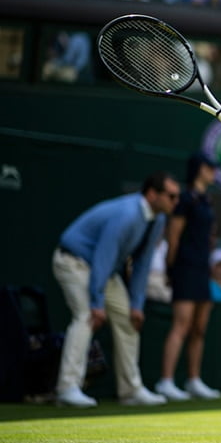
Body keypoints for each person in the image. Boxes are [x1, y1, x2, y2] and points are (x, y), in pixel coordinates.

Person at [53, 172, 178, 407]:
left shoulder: (158, 219)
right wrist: (97, 302)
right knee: (86, 316)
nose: (175, 201)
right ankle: (67, 388)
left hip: (102, 269)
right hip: (74, 261)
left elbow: (142, 264)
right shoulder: (127, 216)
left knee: (129, 320)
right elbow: (104, 255)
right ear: (152, 194)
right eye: (171, 196)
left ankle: (131, 390)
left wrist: (136, 305)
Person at [156, 152, 221, 402]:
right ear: (198, 169)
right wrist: (171, 268)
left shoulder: (207, 200)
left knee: (199, 328)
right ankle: (166, 381)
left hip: (203, 268)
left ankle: (194, 380)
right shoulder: (184, 199)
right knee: (181, 325)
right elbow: (173, 236)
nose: (213, 172)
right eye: (210, 168)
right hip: (185, 267)